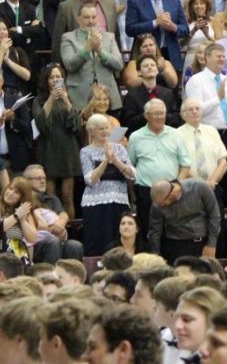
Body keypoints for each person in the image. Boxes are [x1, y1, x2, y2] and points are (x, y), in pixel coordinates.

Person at [127, 98, 191, 243]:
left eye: (162, 113)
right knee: (149, 233)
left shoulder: (176, 134)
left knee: (173, 232)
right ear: (146, 116)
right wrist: (133, 194)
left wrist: (176, 185)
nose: (160, 117)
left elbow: (185, 165)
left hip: (172, 192)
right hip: (145, 192)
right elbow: (130, 167)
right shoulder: (135, 137)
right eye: (155, 113)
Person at [78, 113, 136, 257]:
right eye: (100, 129)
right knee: (97, 239)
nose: (105, 132)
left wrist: (115, 160)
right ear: (91, 132)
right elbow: (89, 179)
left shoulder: (120, 149)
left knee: (116, 238)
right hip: (95, 202)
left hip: (119, 200)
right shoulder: (86, 151)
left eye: (106, 128)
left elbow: (132, 174)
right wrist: (105, 161)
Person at [32, 64, 81, 220]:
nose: (55, 80)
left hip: (68, 149)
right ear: (46, 80)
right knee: (50, 195)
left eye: (58, 77)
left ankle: (70, 230)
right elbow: (41, 124)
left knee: (68, 195)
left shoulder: (69, 97)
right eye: (51, 77)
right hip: (48, 149)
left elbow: (77, 124)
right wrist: (51, 99)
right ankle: (52, 227)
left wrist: (66, 100)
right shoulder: (39, 100)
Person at [125, 0, 188, 71]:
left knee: (172, 86)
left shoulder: (174, 1)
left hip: (171, 56)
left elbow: (185, 29)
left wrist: (173, 27)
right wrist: (154, 23)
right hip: (145, 57)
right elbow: (130, 29)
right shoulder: (135, 1)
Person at [148, 177, 221, 262]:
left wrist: (211, 244)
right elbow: (155, 232)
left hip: (203, 242)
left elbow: (214, 215)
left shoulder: (200, 187)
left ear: (170, 195)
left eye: (162, 204)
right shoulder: (157, 205)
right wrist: (155, 256)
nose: (160, 206)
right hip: (176, 245)